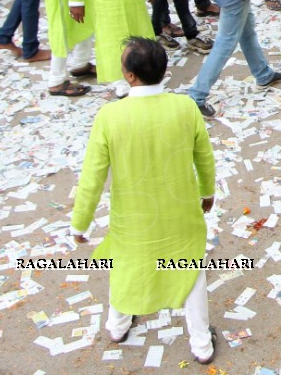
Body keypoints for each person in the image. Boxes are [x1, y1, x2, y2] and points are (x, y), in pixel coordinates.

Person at [71, 37, 216, 364]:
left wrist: (80, 222)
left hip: (132, 217)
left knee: (126, 268)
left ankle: (118, 326)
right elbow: (204, 157)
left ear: (130, 76)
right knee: (189, 270)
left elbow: (93, 176)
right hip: (180, 212)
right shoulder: (184, 107)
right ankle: (201, 344)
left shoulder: (110, 116)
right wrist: (207, 193)